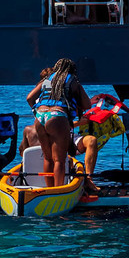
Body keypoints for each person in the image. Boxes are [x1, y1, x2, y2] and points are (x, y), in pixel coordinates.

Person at [24, 56, 90, 187]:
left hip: (40, 117)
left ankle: (49, 189)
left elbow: (29, 98)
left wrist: (35, 112)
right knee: (59, 160)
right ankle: (58, 190)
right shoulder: (72, 80)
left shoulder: (46, 79)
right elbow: (87, 105)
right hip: (57, 116)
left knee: (48, 158)